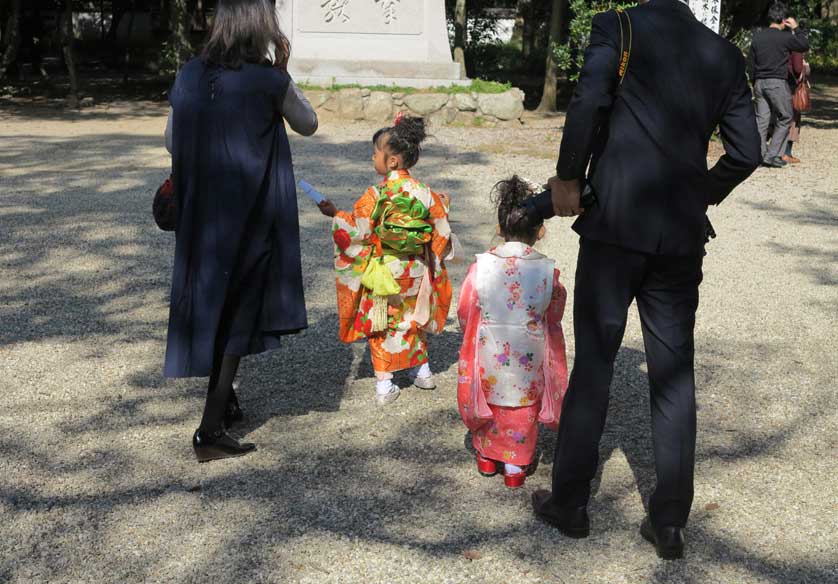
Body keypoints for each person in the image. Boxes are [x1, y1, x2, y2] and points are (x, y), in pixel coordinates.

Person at [530, 0, 761, 560]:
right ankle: (671, 522)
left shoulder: (620, 25)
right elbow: (747, 153)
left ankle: (572, 503)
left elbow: (588, 100)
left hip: (614, 221)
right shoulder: (724, 53)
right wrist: (699, 194)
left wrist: (568, 177)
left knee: (596, 362)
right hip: (679, 234)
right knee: (673, 373)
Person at [163, 0, 318, 463]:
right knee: (240, 306)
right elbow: (308, 124)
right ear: (262, 27)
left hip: (200, 212)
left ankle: (223, 399)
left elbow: (172, 140)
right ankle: (209, 430)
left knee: (212, 299)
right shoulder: (270, 80)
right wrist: (285, 73)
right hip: (250, 210)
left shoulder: (190, 73)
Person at [317, 116, 453, 405]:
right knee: (413, 316)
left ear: (391, 161)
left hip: (385, 270)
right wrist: (433, 256)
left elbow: (357, 232)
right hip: (415, 268)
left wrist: (336, 216)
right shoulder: (425, 193)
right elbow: (440, 230)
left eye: (375, 153)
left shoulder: (376, 194)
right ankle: (423, 372)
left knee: (382, 321)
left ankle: (384, 385)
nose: (372, 157)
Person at [456, 176, 568, 489]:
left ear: (499, 225)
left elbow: (466, 308)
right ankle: (515, 468)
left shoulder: (482, 267)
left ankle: (486, 458)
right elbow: (554, 313)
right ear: (540, 230)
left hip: (489, 348)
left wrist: (473, 331)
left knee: (488, 403)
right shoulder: (547, 271)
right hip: (528, 353)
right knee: (522, 407)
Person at [749, 3, 810, 168]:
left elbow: (751, 64)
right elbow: (804, 44)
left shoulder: (757, 37)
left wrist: (755, 82)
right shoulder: (785, 37)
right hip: (777, 83)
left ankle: (760, 155)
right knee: (786, 116)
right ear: (784, 20)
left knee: (762, 120)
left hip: (759, 83)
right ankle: (771, 155)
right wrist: (797, 28)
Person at [784, 50, 810, 164]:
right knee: (793, 120)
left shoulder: (783, 46)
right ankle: (786, 153)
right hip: (792, 88)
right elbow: (799, 70)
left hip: (779, 86)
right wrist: (806, 67)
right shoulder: (796, 49)